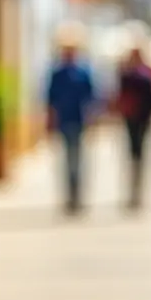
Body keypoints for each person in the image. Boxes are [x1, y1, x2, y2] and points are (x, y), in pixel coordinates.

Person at [45, 23, 95, 215]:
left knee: (79, 159)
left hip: (79, 120)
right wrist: (50, 122)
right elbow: (51, 100)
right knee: (67, 159)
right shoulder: (57, 73)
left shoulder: (83, 72)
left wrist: (92, 121)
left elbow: (91, 99)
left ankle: (78, 196)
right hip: (64, 121)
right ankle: (69, 196)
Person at [115, 45, 151, 211]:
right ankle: (136, 192)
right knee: (138, 156)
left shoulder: (129, 76)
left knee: (135, 155)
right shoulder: (145, 76)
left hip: (134, 119)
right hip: (139, 120)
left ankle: (135, 193)